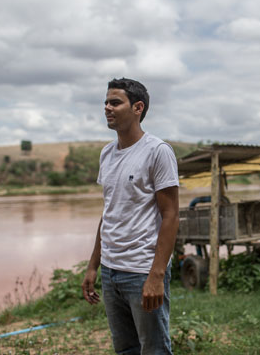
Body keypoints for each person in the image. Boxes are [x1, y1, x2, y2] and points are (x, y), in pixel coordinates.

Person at [81, 77, 179, 354]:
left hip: (141, 270)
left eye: (115, 102)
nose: (107, 108)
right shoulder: (107, 153)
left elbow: (170, 215)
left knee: (154, 348)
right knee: (125, 348)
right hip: (111, 271)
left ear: (138, 107)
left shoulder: (157, 152)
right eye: (106, 103)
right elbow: (110, 211)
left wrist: (156, 275)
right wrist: (93, 266)